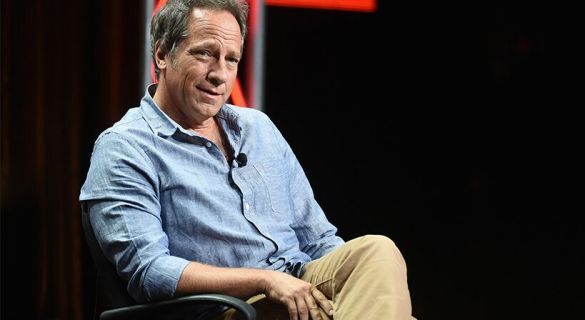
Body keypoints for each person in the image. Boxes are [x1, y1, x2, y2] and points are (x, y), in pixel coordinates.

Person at [80, 0, 414, 319]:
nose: (220, 74)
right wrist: (264, 280)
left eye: (231, 59)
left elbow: (318, 240)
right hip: (233, 309)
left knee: (375, 252)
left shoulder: (258, 128)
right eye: (205, 54)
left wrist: (357, 292)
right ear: (163, 54)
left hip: (300, 287)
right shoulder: (125, 147)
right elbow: (149, 272)